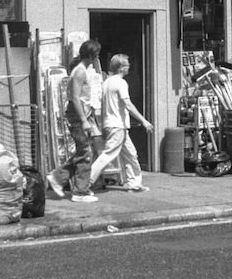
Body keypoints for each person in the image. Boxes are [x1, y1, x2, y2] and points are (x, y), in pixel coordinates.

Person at [47, 39, 104, 203]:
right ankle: (80, 192)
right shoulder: (79, 72)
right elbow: (75, 98)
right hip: (79, 116)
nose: (98, 57)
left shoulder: (82, 70)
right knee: (85, 153)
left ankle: (58, 177)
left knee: (83, 152)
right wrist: (84, 120)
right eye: (97, 54)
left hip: (83, 114)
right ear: (92, 55)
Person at [88, 54, 154, 192]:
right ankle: (86, 181)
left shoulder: (106, 83)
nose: (129, 67)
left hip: (112, 125)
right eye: (127, 65)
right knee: (108, 155)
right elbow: (128, 105)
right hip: (118, 125)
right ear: (121, 68)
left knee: (131, 154)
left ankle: (134, 183)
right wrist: (144, 121)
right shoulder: (120, 83)